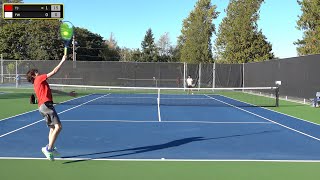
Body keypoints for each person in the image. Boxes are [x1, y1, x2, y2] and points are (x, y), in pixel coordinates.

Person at [26, 55, 67, 161]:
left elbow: (52, 90)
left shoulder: (39, 83)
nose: (38, 73)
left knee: (52, 128)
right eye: (36, 72)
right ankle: (48, 149)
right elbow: (53, 71)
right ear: (34, 75)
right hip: (46, 105)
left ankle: (50, 148)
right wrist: (62, 60)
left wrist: (68, 93)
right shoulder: (39, 78)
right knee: (59, 127)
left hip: (41, 107)